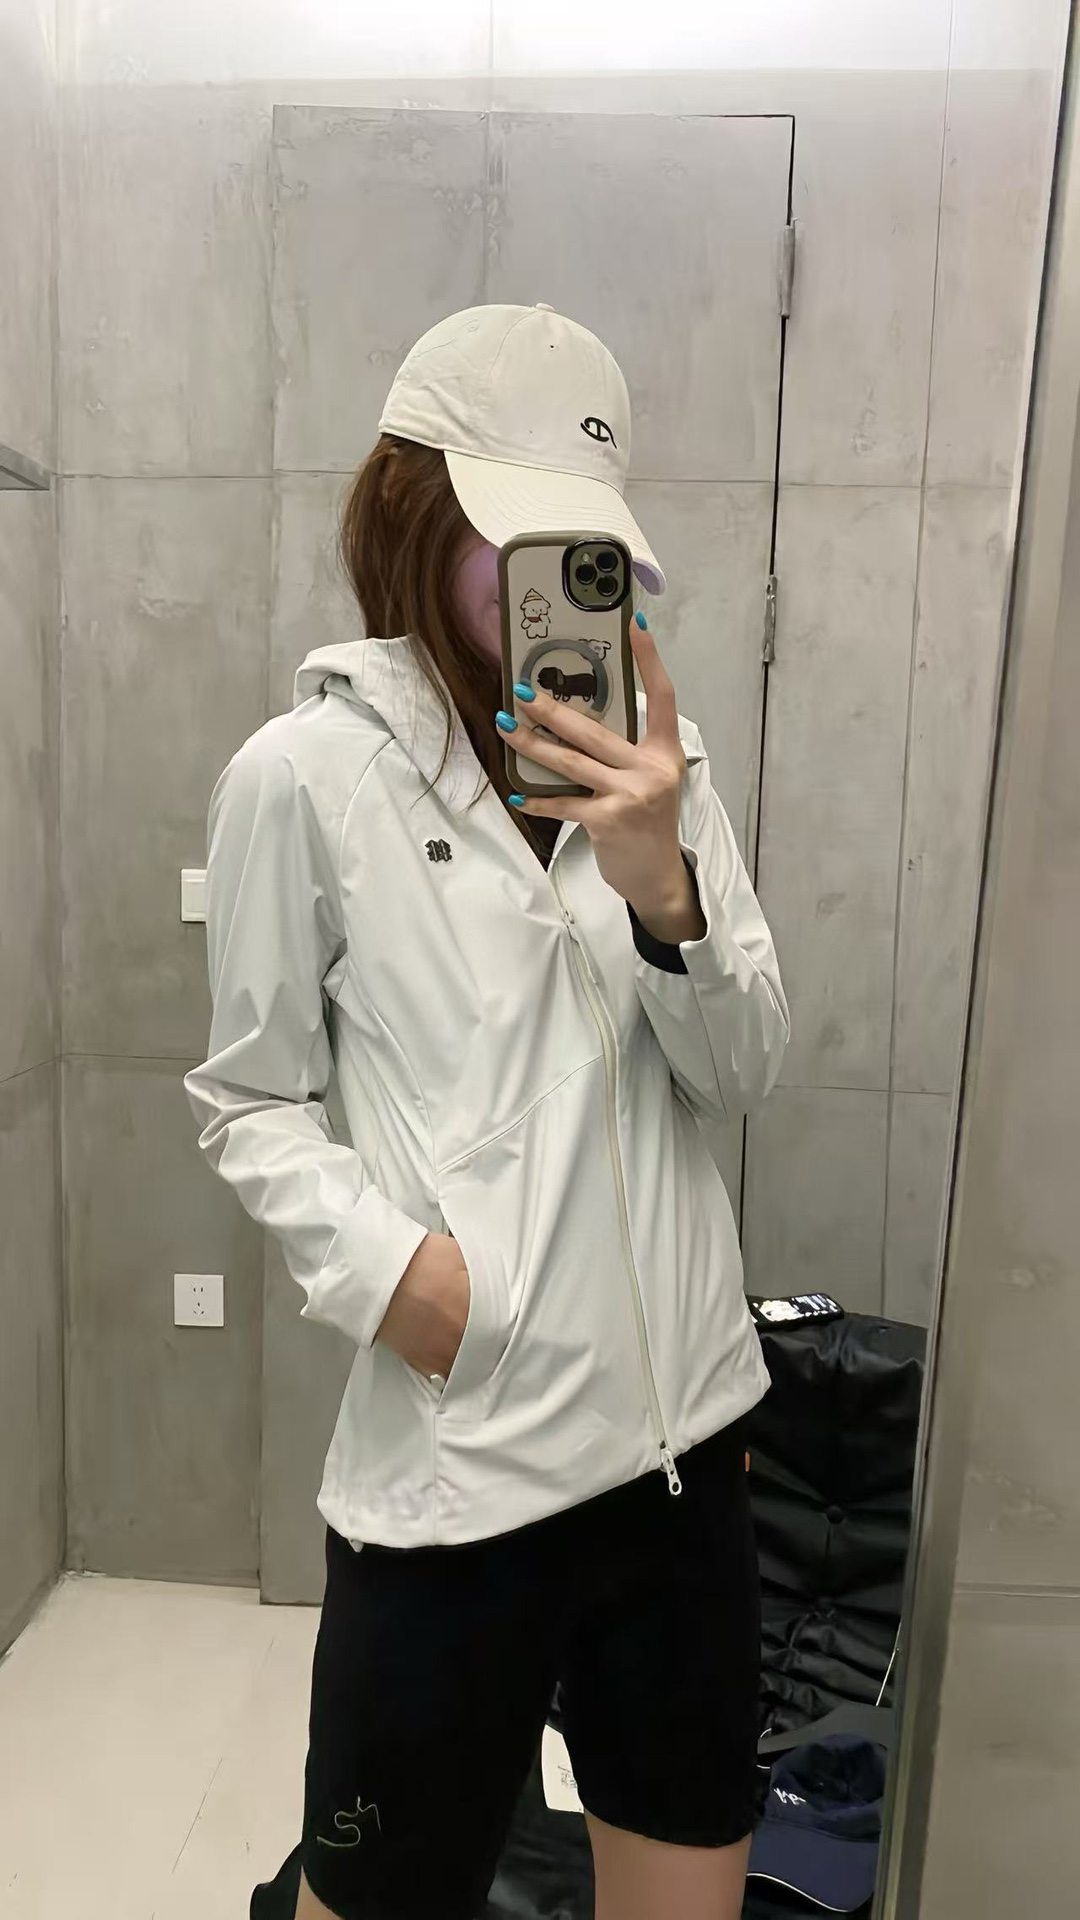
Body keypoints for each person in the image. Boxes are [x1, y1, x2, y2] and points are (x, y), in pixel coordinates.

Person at [186, 303, 789, 1920]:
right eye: (512, 536)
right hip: (458, 1485)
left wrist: (664, 889)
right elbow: (248, 1099)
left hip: (682, 1459)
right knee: (379, 1893)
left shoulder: (668, 766)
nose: (547, 578)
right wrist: (404, 1281)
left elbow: (742, 1072)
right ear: (415, 509)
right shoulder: (303, 778)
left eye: (578, 547)